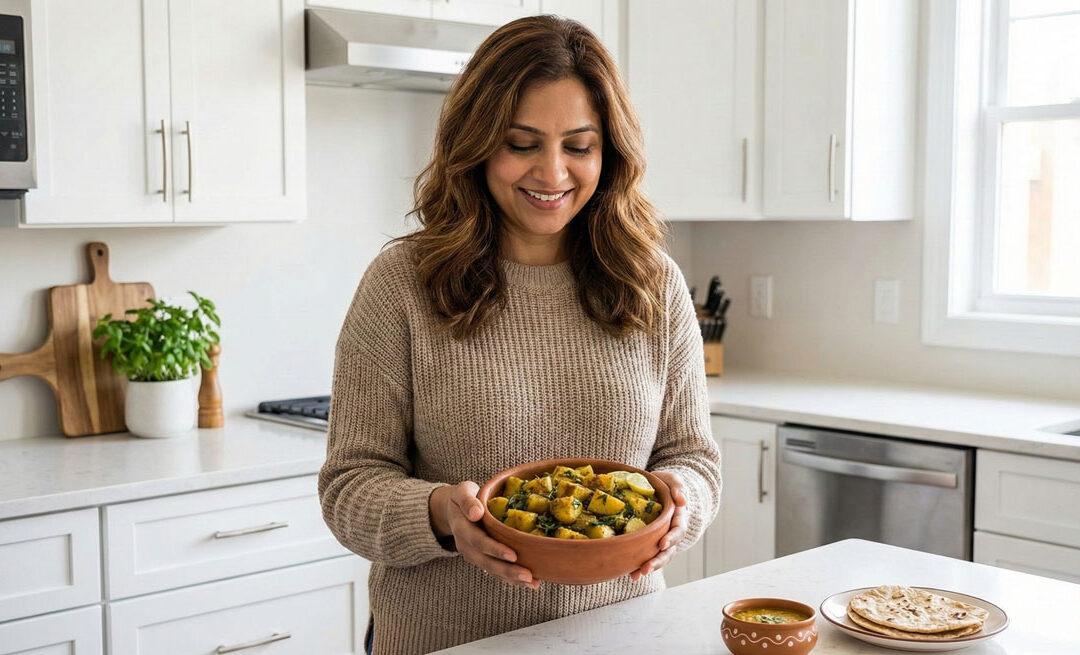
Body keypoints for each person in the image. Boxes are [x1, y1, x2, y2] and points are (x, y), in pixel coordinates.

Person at [319, 15, 722, 655]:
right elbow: (349, 487)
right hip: (446, 641)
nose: (552, 172)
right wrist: (443, 517)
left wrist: (683, 505)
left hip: (622, 637)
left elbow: (692, 459)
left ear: (609, 152)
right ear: (476, 144)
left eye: (579, 146)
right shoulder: (402, 283)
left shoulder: (653, 282)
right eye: (522, 142)